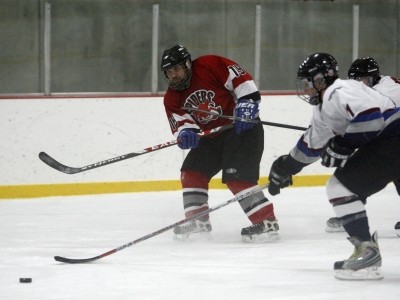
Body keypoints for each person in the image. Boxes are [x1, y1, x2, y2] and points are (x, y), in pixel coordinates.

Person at [267, 52, 400, 280]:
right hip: (390, 141)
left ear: (320, 79)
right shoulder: (323, 107)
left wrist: (342, 145)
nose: (305, 89)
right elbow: (311, 146)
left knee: (340, 188)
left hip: (393, 139)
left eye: (307, 83)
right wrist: (285, 167)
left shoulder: (341, 90)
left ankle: (367, 252)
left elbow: (371, 119)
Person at [161, 44, 280, 243]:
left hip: (242, 129)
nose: (174, 75)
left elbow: (242, 81)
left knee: (237, 178)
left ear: (188, 64)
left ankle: (267, 221)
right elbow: (182, 122)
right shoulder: (172, 98)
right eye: (169, 71)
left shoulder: (210, 64)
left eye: (177, 69)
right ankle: (198, 221)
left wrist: (247, 103)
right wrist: (186, 132)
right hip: (212, 137)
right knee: (191, 172)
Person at [325, 57, 400, 237]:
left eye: (363, 80)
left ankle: (353, 207)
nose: (360, 84)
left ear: (373, 77)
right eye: (356, 81)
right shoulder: (367, 92)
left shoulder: (389, 88)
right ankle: (353, 208)